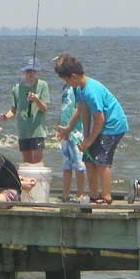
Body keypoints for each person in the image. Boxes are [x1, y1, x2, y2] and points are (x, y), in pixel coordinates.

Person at [53, 54, 128, 204]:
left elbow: (100, 118)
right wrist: (82, 136)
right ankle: (94, 196)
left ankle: (106, 196)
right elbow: (82, 110)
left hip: (113, 125)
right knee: (88, 158)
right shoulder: (78, 89)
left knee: (102, 160)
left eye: (67, 80)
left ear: (74, 76)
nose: (67, 83)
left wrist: (89, 140)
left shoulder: (90, 90)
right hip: (100, 124)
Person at [1, 58, 50, 163]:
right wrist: (6, 116)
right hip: (23, 130)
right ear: (23, 71)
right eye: (28, 71)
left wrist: (36, 100)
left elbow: (44, 109)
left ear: (37, 72)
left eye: (33, 71)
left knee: (37, 160)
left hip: (38, 131)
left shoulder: (43, 85)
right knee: (27, 161)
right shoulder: (16, 88)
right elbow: (13, 110)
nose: (31, 74)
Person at [57, 73, 87, 201]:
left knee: (79, 164)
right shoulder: (65, 87)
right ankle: (65, 194)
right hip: (64, 131)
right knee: (66, 164)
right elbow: (64, 109)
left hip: (76, 131)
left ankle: (80, 193)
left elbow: (79, 109)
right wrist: (61, 128)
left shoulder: (77, 88)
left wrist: (70, 127)